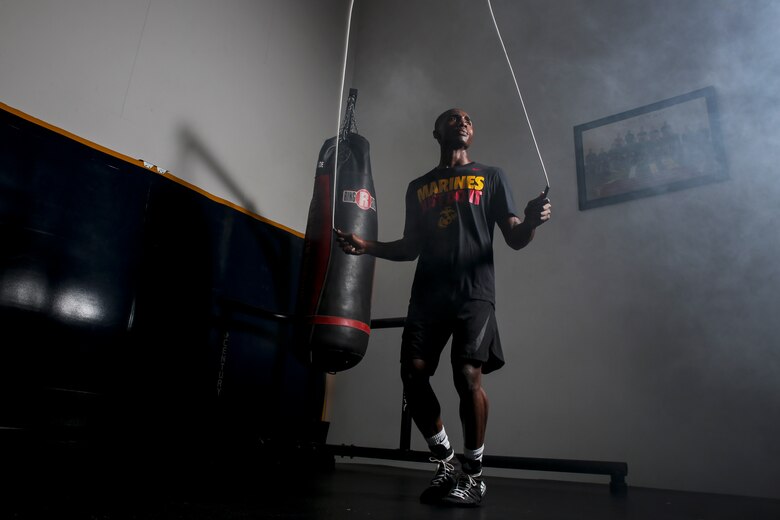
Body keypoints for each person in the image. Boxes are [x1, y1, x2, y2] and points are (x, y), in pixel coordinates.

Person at [335, 108, 551, 507]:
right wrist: (366, 246)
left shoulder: (492, 176)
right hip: (428, 295)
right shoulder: (419, 186)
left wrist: (533, 220)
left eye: (469, 119)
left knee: (467, 375)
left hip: (474, 292)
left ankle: (474, 475)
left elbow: (516, 237)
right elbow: (409, 247)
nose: (464, 122)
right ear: (436, 132)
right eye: (454, 118)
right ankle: (445, 462)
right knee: (413, 375)